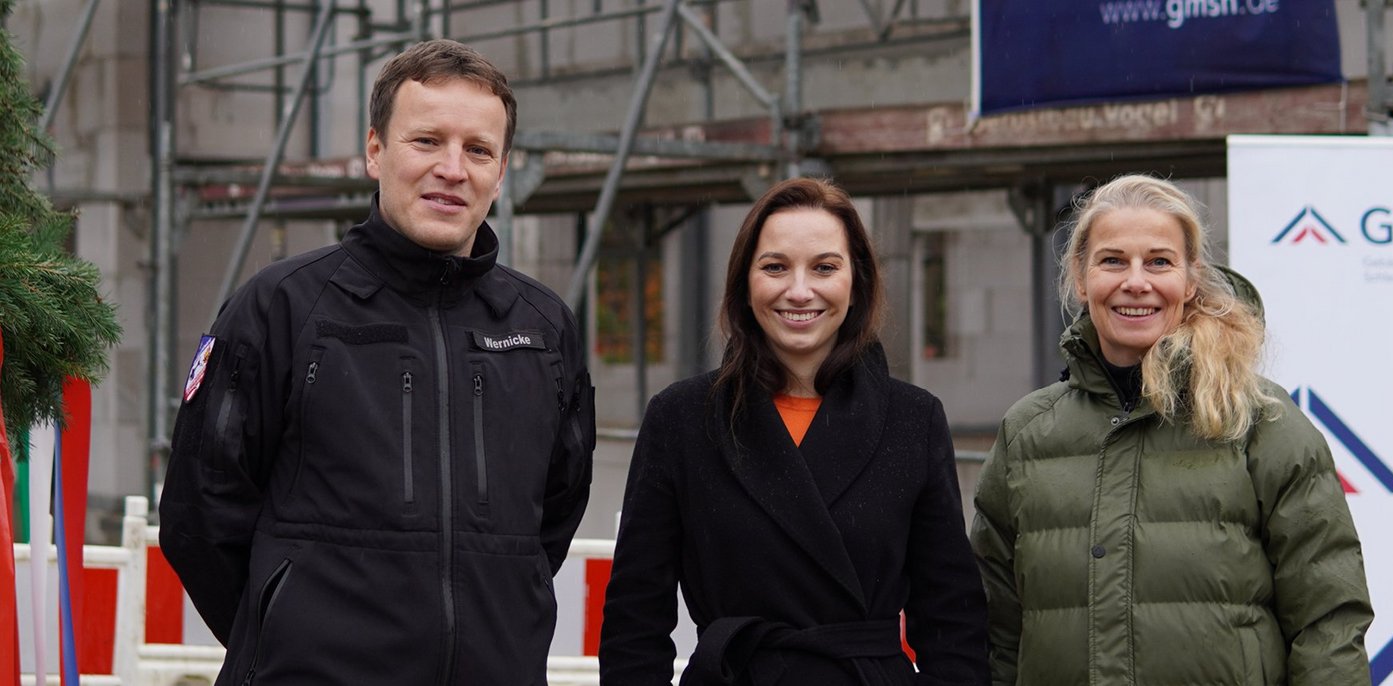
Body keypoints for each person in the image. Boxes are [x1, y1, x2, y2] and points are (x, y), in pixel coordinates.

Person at [159, 39, 595, 685]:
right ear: (374, 151)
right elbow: (201, 513)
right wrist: (285, 633)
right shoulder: (283, 304)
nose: (452, 168)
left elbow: (555, 513)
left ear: (501, 171)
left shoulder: (542, 324)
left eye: (477, 150)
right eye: (426, 141)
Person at [970, 174, 1373, 685]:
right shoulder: (1027, 434)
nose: (1136, 282)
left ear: (1190, 277)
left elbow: (1328, 620)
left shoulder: (1258, 420)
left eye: (1158, 261)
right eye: (1113, 260)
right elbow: (997, 631)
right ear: (1080, 276)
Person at [598, 178, 988, 685]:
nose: (799, 290)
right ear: (745, 282)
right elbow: (635, 619)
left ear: (857, 282)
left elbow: (952, 621)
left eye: (825, 267)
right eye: (775, 267)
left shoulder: (913, 420)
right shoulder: (682, 417)